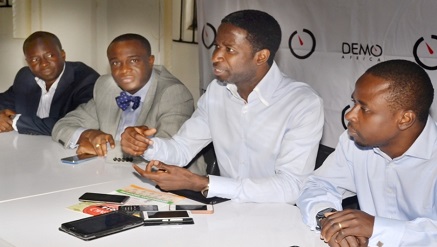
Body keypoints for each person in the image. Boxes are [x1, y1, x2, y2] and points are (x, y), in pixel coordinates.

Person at [120, 10, 324, 203]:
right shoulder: (217, 91)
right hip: (226, 209)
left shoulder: (302, 103)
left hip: (277, 220)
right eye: (217, 46)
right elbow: (182, 149)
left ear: (260, 56)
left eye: (230, 50)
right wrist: (145, 144)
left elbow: (291, 187)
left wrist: (204, 183)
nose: (216, 57)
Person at [297, 59, 437, 246]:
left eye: (364, 108)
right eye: (354, 102)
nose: (349, 115)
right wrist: (331, 221)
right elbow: (319, 184)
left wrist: (376, 228)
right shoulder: (354, 141)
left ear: (405, 119)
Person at [52, 33, 204, 174]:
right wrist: (88, 134)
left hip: (170, 183)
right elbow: (62, 125)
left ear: (150, 61)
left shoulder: (173, 93)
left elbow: (167, 154)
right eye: (116, 63)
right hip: (112, 174)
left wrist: (101, 148)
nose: (124, 70)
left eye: (133, 61)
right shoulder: (107, 86)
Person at [0, 31, 99, 135]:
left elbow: (70, 124)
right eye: (34, 59)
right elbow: (4, 101)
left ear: (63, 55)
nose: (43, 64)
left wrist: (14, 121)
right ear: (27, 62)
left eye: (50, 55)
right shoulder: (25, 77)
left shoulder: (86, 80)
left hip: (66, 148)